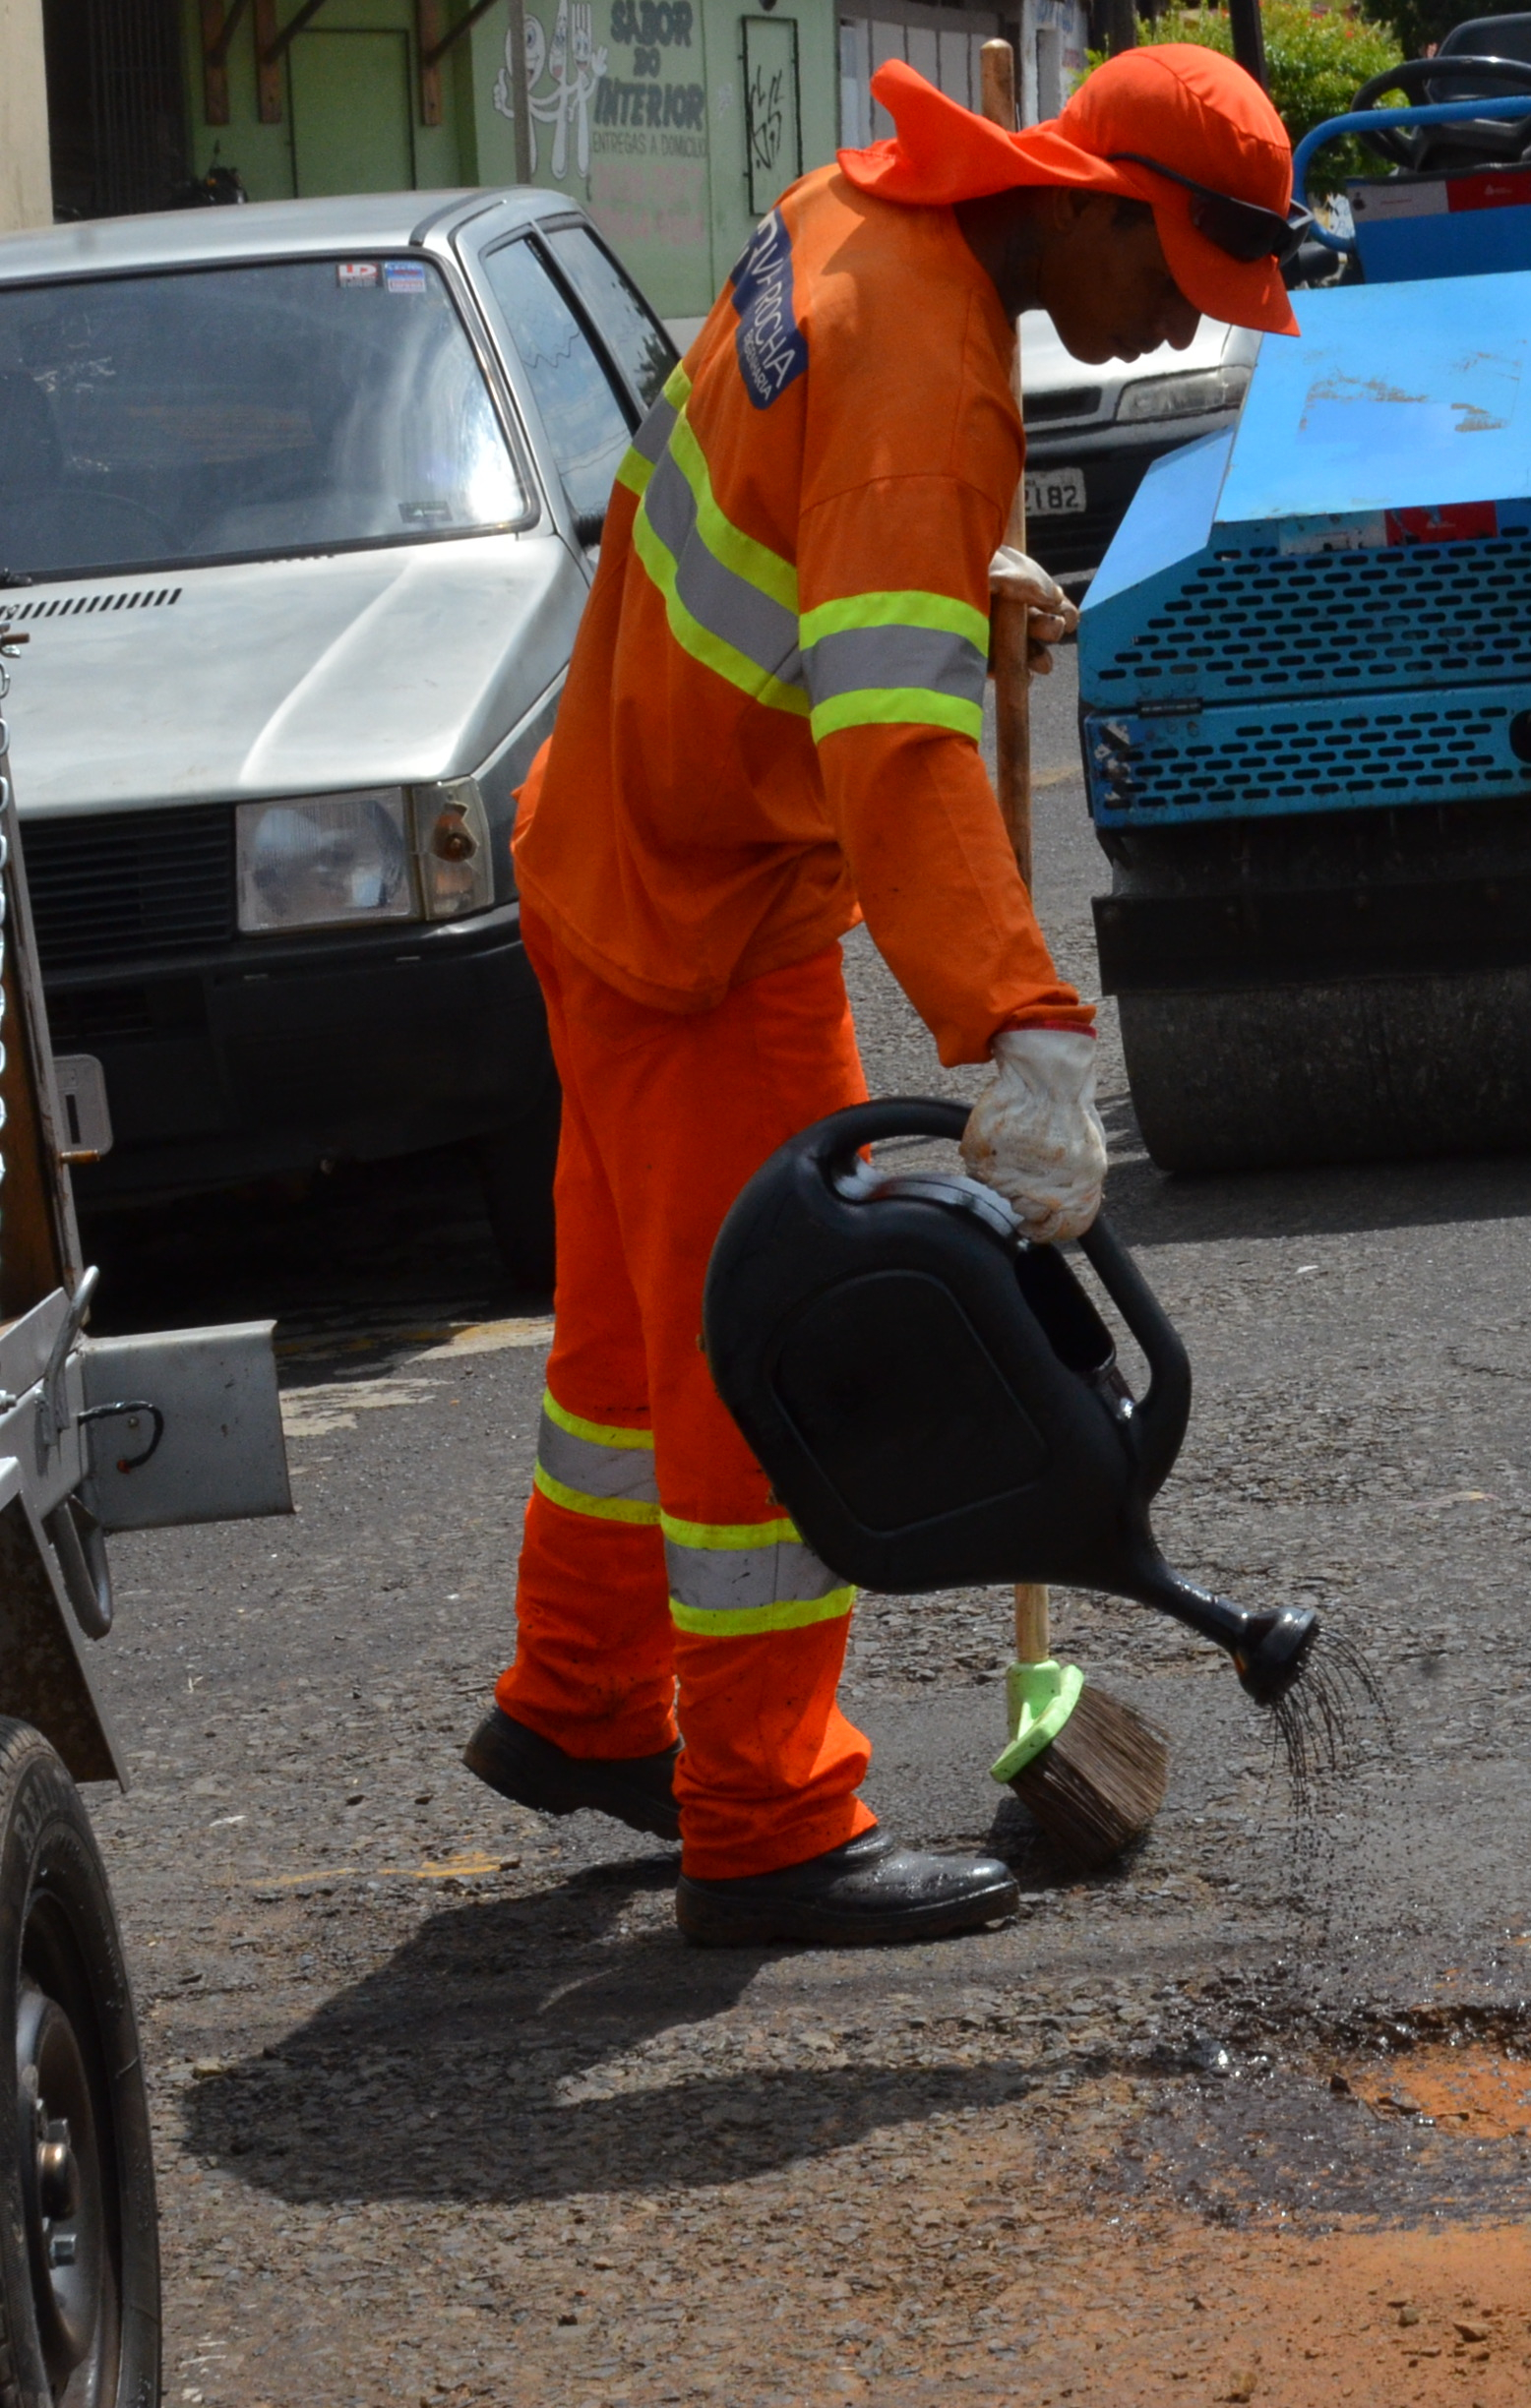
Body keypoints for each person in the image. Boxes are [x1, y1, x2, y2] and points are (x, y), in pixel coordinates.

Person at [458, 47, 1303, 1944]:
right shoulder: (932, 382)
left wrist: (918, 551)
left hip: (600, 840)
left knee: (630, 1343)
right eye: (1168, 272)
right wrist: (1017, 1027)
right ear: (1083, 198)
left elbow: (775, 477)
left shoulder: (854, 217)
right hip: (708, 918)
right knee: (781, 1365)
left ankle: (586, 1701)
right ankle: (764, 1821)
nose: (1167, 322)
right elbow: (904, 749)